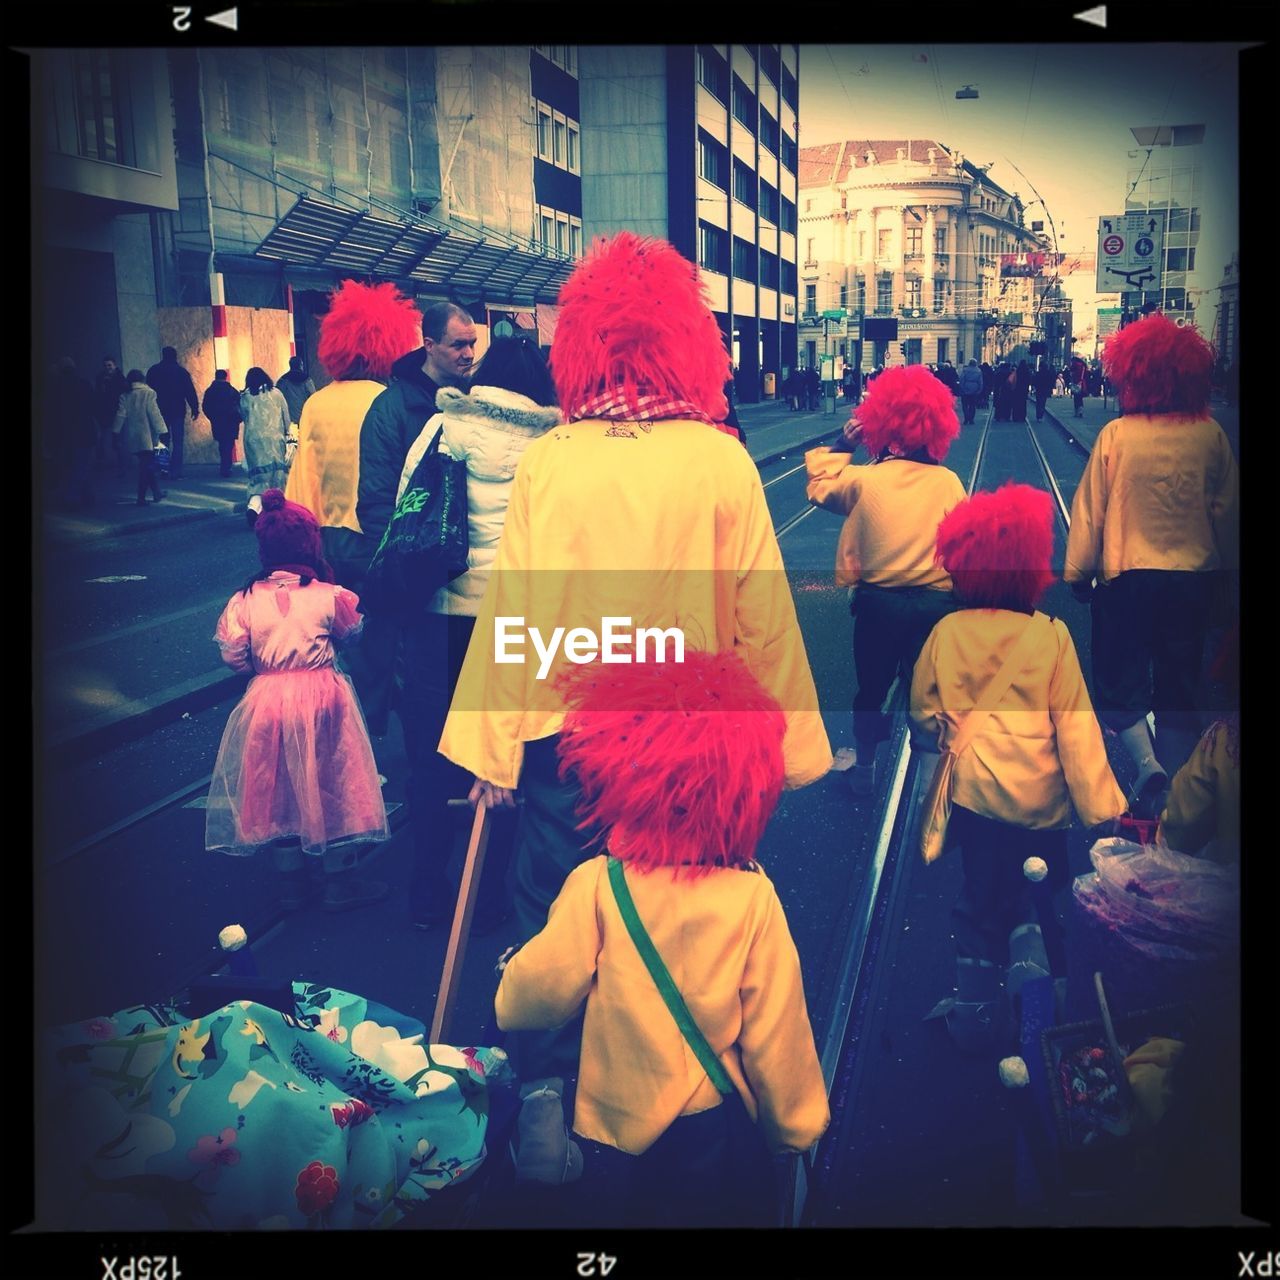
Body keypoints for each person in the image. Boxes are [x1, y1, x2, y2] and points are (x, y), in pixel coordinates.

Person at [438, 232, 831, 1093]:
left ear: (581, 351)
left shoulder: (552, 460)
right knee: (678, 906)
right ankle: (665, 1083)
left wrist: (490, 750)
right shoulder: (720, 460)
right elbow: (760, 613)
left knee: (553, 913)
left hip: (566, 739)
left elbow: (517, 608)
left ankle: (547, 1094)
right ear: (685, 349)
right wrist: (792, 747)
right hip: (685, 747)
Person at [495, 649, 829, 1224]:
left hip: (615, 1117)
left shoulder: (599, 884)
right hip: (712, 1116)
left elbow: (540, 995)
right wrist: (794, 1124)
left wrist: (510, 987)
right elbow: (778, 1028)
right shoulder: (752, 898)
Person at [911, 483, 1126, 1051]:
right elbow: (1077, 729)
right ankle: (1043, 1007)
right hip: (1041, 810)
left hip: (977, 804)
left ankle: (977, 1014)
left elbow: (922, 716)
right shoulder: (1051, 638)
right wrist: (1103, 811)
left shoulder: (944, 635)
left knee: (980, 900)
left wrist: (944, 733)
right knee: (1039, 893)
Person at [394, 336, 562, 931]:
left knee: (431, 757)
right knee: (501, 761)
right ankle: (488, 895)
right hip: (508, 624)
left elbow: (405, 508)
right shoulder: (553, 446)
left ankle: (425, 891)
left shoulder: (440, 429)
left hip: (438, 617)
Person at [1065, 312, 1239, 802]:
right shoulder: (1211, 437)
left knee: (1119, 678)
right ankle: (1181, 776)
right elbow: (1228, 515)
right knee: (1180, 681)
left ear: (1132, 373)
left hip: (1127, 579)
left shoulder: (1117, 435)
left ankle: (1146, 764)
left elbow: (1090, 511)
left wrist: (1078, 572)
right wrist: (1227, 583)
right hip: (1192, 582)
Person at [205, 489, 390, 911]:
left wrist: (265, 668)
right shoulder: (329, 595)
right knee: (333, 783)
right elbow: (353, 633)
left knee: (280, 790)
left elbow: (234, 655)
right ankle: (339, 881)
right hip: (324, 696)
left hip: (267, 701)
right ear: (310, 544)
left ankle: (291, 884)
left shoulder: (244, 600)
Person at [807, 365, 967, 798]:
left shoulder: (867, 479)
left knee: (872, 688)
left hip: (879, 606)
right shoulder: (949, 482)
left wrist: (845, 443)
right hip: (935, 606)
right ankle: (930, 782)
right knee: (928, 692)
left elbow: (820, 487)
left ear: (885, 431)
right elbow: (965, 544)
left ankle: (865, 767)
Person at [284, 280, 423, 737]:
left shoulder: (316, 404)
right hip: (377, 535)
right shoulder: (390, 402)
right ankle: (377, 720)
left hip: (328, 538)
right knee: (384, 633)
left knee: (337, 635)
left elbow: (301, 486)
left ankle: (340, 721)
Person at [354, 299, 478, 735]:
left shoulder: (474, 403)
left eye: (472, 344)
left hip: (467, 574)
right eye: (458, 345)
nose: (468, 354)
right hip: (417, 579)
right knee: (423, 701)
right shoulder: (392, 408)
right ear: (429, 345)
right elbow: (375, 501)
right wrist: (400, 574)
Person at [240, 367, 292, 525]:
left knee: (258, 479)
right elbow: (286, 416)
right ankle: (277, 511)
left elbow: (244, 416)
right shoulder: (276, 393)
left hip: (253, 442)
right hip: (275, 439)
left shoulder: (245, 396)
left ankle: (253, 507)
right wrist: (288, 435)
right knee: (277, 476)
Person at [112, 368, 167, 505]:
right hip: (147, 434)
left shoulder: (125, 395)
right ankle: (141, 498)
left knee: (146, 464)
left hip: (133, 435)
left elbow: (120, 415)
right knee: (146, 466)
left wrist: (115, 432)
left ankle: (157, 493)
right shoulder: (149, 393)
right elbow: (154, 413)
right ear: (142, 379)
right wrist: (162, 430)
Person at [49, 357, 96, 509]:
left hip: (64, 434)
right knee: (83, 465)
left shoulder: (55, 387)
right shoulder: (84, 384)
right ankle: (74, 498)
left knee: (70, 466)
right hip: (85, 432)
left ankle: (85, 496)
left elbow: (51, 413)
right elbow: (93, 406)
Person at [145, 346, 199, 480]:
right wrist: (194, 408)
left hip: (160, 410)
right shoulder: (181, 372)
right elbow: (189, 391)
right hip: (177, 410)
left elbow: (148, 391)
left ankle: (163, 469)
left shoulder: (153, 371)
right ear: (175, 356)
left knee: (162, 441)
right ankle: (176, 471)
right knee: (178, 441)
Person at [202, 369, 243, 477]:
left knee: (222, 444)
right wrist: (239, 418)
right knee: (229, 444)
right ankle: (227, 466)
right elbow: (240, 405)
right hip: (231, 421)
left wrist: (212, 417)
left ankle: (224, 466)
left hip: (218, 421)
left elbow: (205, 406)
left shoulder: (210, 391)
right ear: (226, 377)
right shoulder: (232, 390)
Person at [92, 356, 129, 475]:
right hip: (105, 413)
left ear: (115, 365)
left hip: (117, 413)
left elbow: (122, 394)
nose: (108, 368)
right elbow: (97, 395)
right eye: (106, 365)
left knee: (118, 441)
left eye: (110, 365)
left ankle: (122, 467)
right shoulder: (100, 378)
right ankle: (105, 465)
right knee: (104, 440)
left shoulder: (119, 378)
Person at [277, 355, 317, 427]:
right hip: (304, 415)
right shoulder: (307, 379)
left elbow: (278, 396)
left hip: (289, 416)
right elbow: (313, 397)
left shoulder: (283, 380)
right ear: (300, 365)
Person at [957, 358, 983, 424]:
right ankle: (971, 419)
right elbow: (980, 382)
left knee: (965, 405)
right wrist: (979, 389)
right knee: (972, 405)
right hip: (975, 389)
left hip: (966, 388)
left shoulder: (965, 370)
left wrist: (962, 388)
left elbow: (962, 379)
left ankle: (966, 418)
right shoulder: (978, 371)